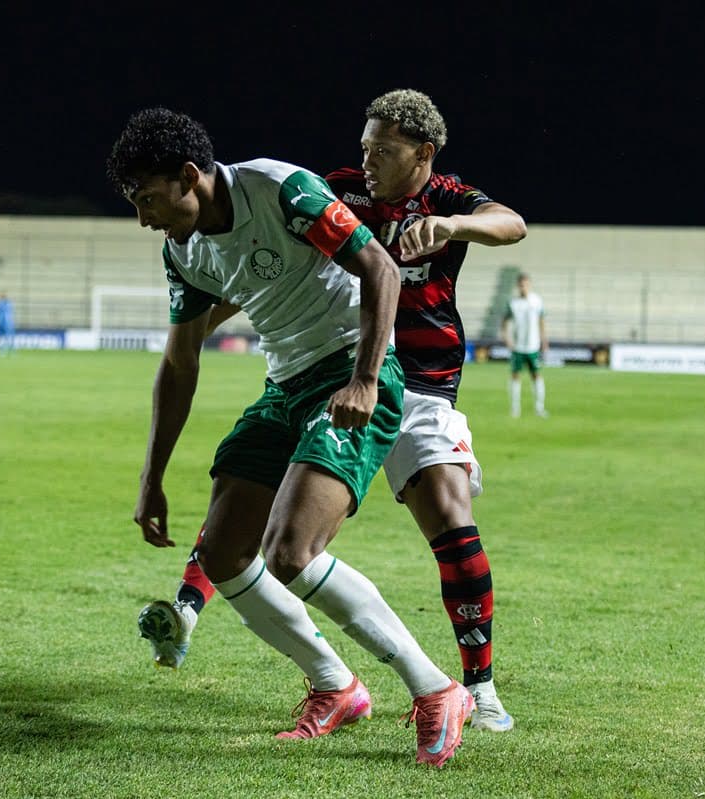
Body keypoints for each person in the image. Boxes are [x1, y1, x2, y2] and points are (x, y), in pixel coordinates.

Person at [138, 90, 527, 733]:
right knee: (258, 517)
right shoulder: (334, 190)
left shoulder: (447, 197)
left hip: (419, 381)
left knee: (451, 527)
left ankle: (476, 687)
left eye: (384, 149)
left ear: (423, 154)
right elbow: (271, 261)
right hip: (323, 371)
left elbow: (510, 223)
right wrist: (217, 307)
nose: (367, 159)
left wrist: (454, 228)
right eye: (364, 146)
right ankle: (207, 611)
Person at [502, 273, 548, 417]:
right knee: (515, 376)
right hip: (518, 346)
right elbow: (504, 322)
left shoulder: (537, 301)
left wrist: (544, 340)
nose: (524, 287)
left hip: (533, 346)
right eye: (521, 285)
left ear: (530, 285)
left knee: (536, 375)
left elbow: (541, 321)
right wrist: (507, 339)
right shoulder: (513, 303)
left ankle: (539, 408)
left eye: (526, 284)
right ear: (518, 286)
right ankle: (515, 409)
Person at [0, 291, 15, 356]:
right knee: (1, 337)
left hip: (7, 323)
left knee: (8, 337)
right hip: (1, 323)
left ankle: (10, 350)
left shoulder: (8, 304)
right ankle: (2, 350)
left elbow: (10, 314)